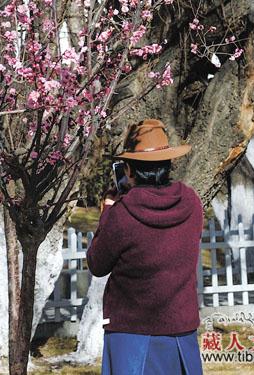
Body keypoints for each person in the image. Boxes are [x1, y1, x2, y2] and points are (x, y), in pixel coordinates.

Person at [87, 119, 204, 374]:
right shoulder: (192, 203)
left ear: (129, 170)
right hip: (180, 330)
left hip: (131, 333)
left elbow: (97, 263)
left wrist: (108, 209)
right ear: (167, 163)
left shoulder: (122, 212)